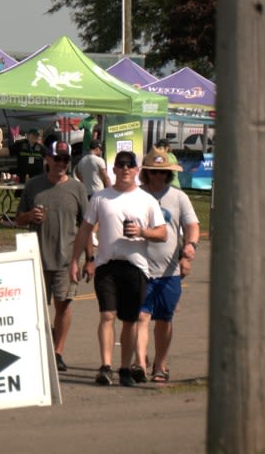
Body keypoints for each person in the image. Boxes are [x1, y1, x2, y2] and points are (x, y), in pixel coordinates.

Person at [69, 150, 167, 387]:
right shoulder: (101, 198)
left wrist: (142, 232)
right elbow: (85, 229)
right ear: (113, 170)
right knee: (107, 315)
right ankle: (105, 367)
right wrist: (77, 259)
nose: (125, 169)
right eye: (121, 165)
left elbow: (162, 233)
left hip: (136, 267)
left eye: (129, 165)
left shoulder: (147, 200)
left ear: (136, 171)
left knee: (130, 320)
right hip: (106, 265)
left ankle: (124, 368)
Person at [15, 140, 91, 373]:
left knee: (63, 305)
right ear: (46, 159)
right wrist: (30, 215)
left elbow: (86, 226)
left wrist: (90, 259)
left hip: (67, 259)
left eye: (65, 160)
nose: (60, 163)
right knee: (36, 307)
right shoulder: (34, 185)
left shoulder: (77, 188)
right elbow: (18, 219)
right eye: (56, 158)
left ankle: (58, 352)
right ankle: (39, 346)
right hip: (37, 257)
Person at [135, 147, 200, 383]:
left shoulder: (178, 197)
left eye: (162, 173)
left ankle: (160, 364)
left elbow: (192, 225)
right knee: (141, 317)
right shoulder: (137, 195)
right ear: (146, 172)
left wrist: (190, 246)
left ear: (168, 175)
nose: (157, 176)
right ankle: (140, 363)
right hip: (140, 268)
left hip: (169, 271)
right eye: (153, 172)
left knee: (163, 321)